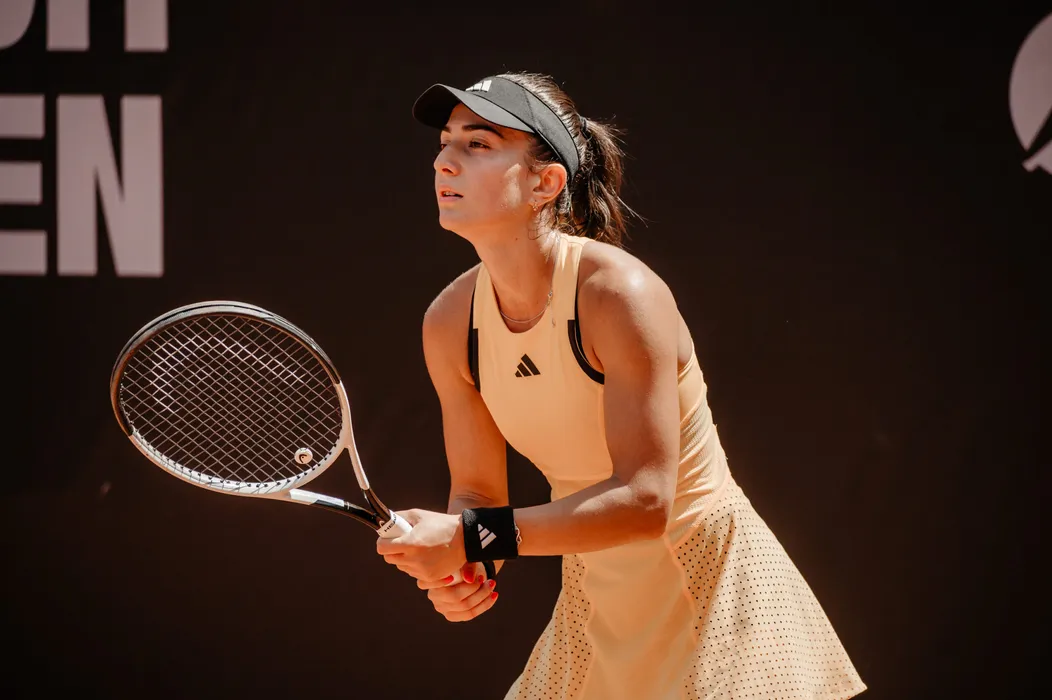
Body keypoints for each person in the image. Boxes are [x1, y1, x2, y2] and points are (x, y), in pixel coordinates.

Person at [376, 72, 867, 700]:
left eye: (478, 144)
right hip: (597, 622)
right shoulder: (449, 324)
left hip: (722, 611)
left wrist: (470, 536)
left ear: (545, 183)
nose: (444, 161)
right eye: (445, 142)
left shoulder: (619, 295)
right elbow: (478, 495)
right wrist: (467, 564)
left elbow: (644, 500)